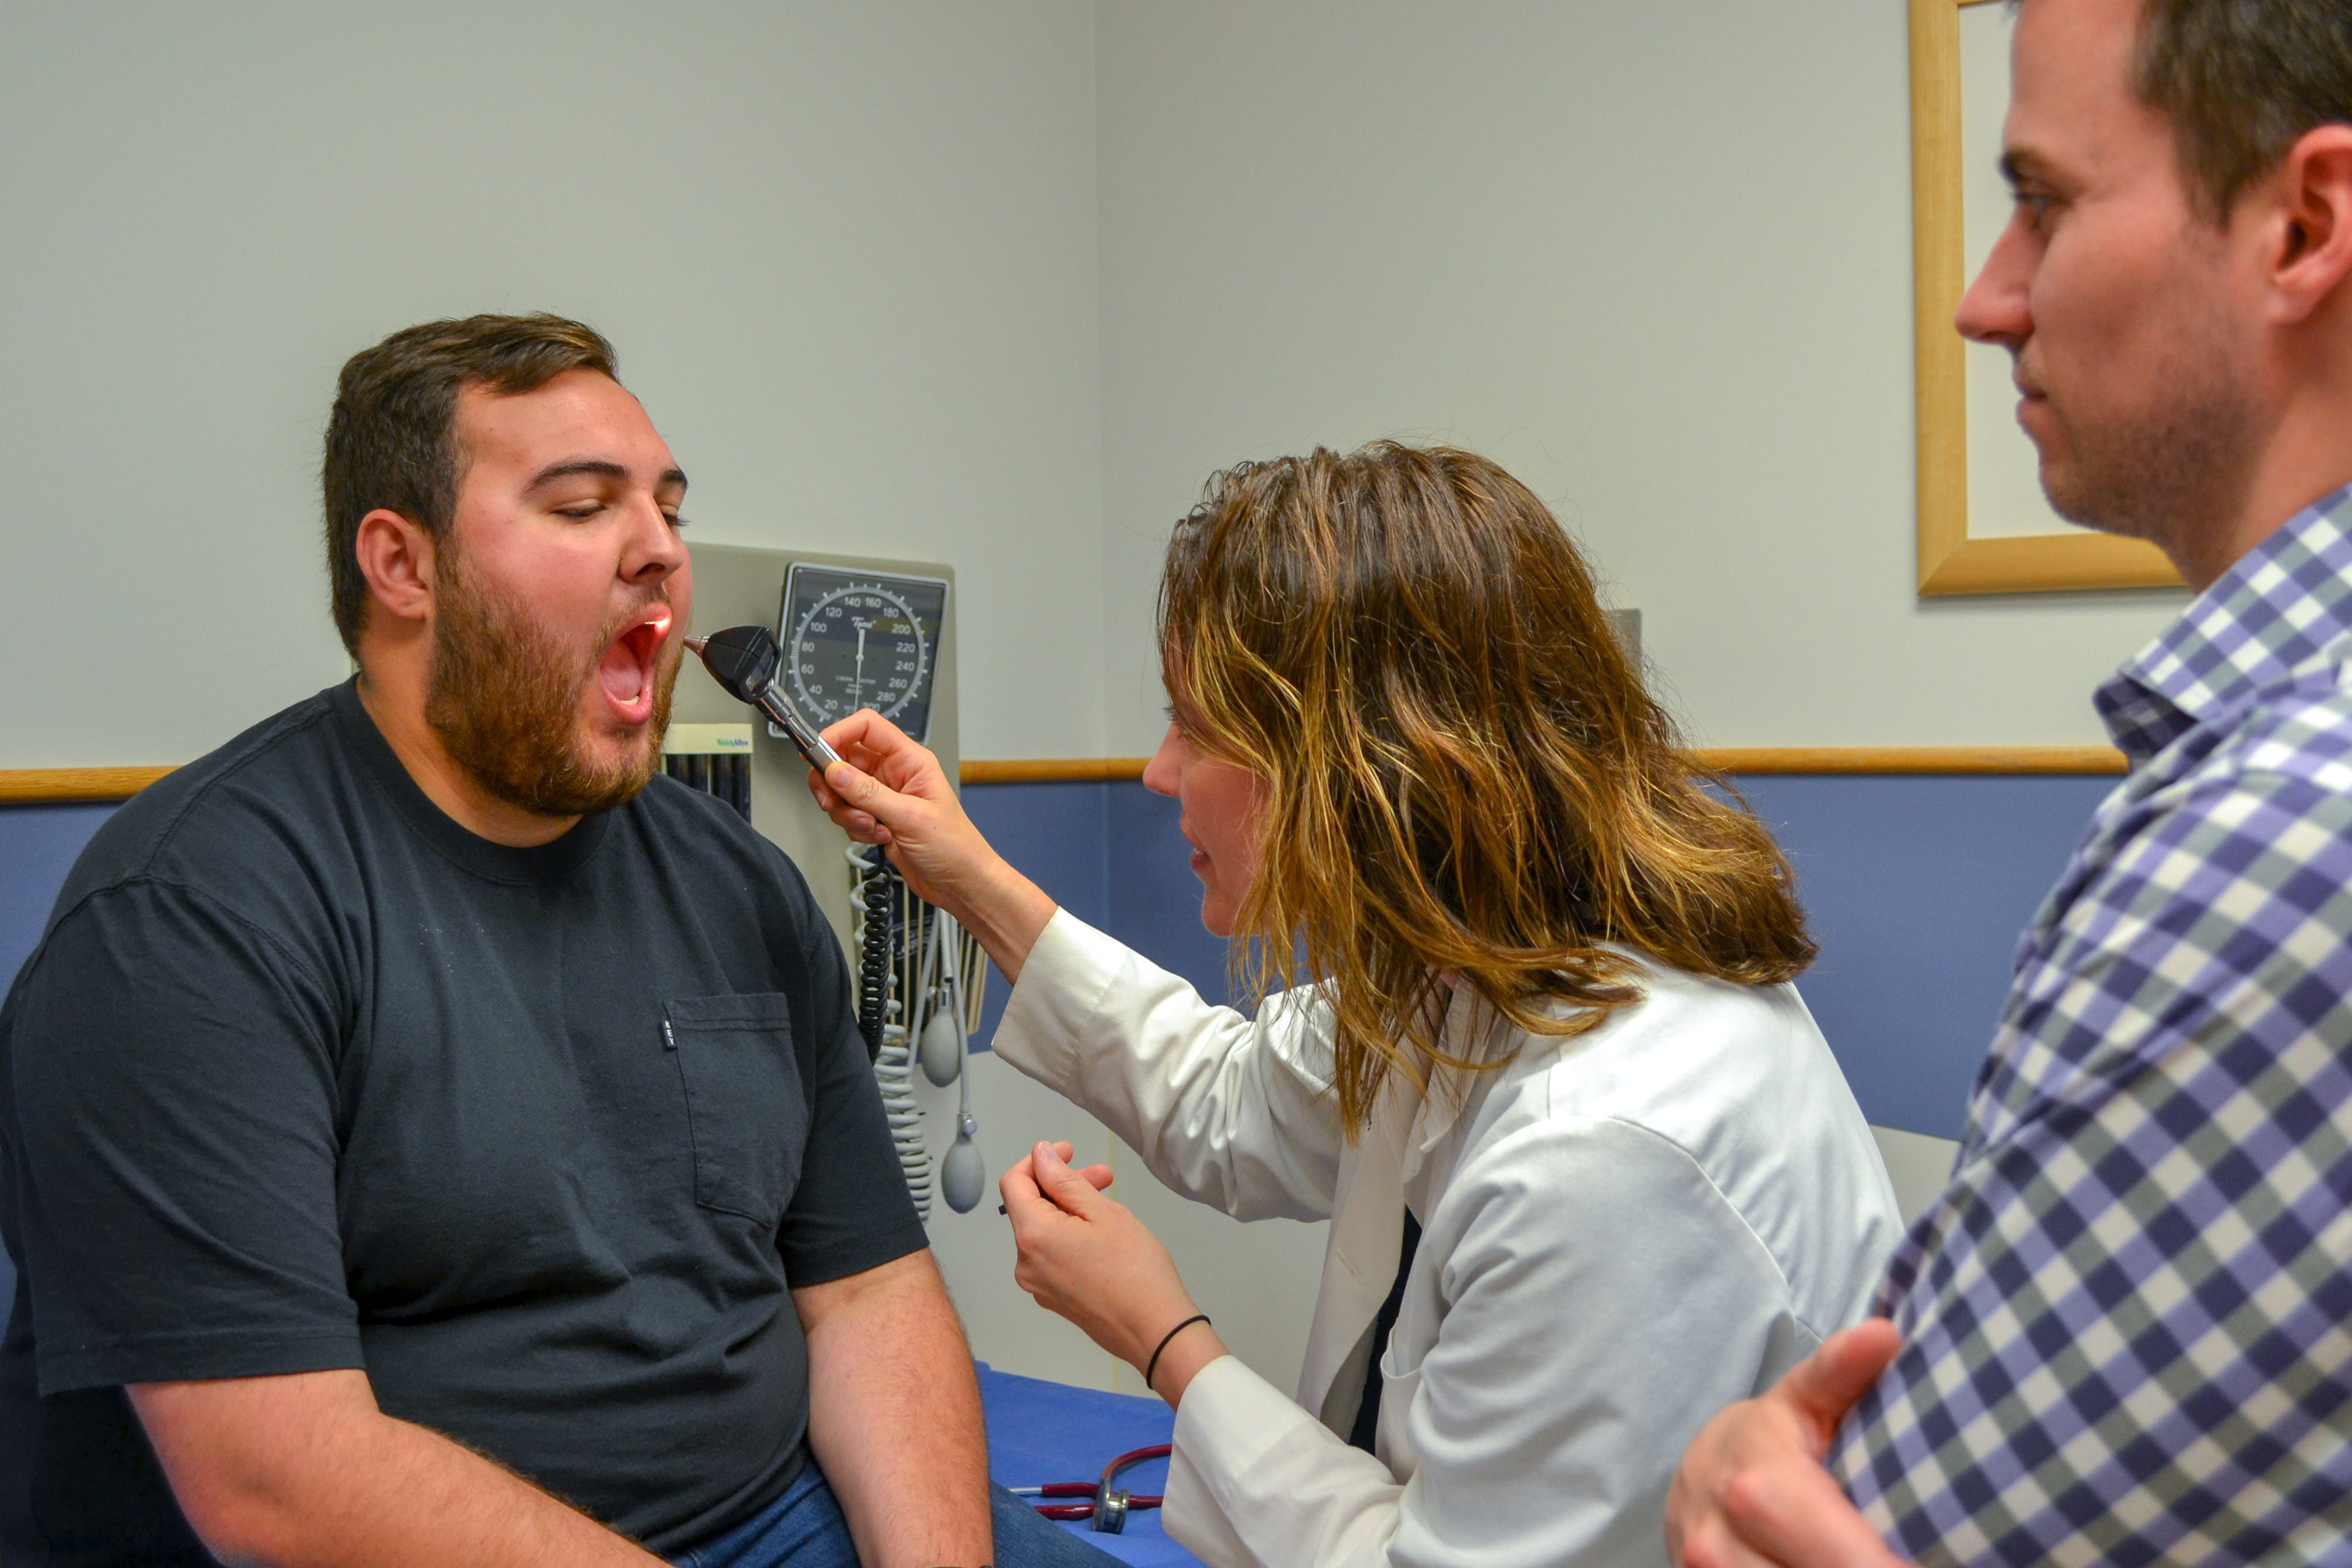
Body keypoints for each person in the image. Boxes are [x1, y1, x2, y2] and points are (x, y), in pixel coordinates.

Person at [0, 314, 1106, 1568]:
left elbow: (867, 1291)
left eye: (669, 510)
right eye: (583, 508)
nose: (662, 554)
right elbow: (277, 1480)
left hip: (773, 1513)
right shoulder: (187, 921)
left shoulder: (734, 884)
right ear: (402, 568)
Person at [806, 441, 1905, 1568]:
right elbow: (1227, 1099)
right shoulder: (1487, 972)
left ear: (1348, 765)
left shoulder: (1613, 1155)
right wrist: (966, 875)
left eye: (1195, 724)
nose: (1158, 772)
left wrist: (1162, 1337)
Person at [1664, 1, 2352, 1563]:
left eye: (2040, 202)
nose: (1982, 299)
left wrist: (1743, 1478)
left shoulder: (2279, 835)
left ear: (2302, 223)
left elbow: (1844, 1519)